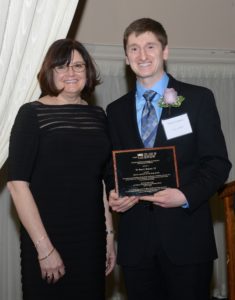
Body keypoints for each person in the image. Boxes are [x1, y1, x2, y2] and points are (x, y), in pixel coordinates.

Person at [106, 18, 232, 300]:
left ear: (165, 51)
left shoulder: (198, 99)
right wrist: (114, 193)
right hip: (136, 243)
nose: (142, 55)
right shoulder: (115, 111)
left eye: (150, 46)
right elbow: (110, 167)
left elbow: (217, 163)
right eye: (134, 48)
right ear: (126, 58)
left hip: (187, 239)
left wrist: (184, 195)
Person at [7, 38, 116, 300]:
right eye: (62, 67)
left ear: (88, 72)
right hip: (46, 235)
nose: (71, 73)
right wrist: (45, 249)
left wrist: (109, 237)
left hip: (91, 239)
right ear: (49, 72)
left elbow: (100, 182)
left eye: (78, 66)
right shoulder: (31, 114)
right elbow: (17, 185)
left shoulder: (99, 116)